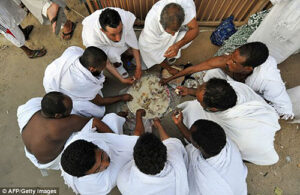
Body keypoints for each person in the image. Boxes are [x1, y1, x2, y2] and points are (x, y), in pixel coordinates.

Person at [162, 42, 293, 119]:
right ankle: (207, 97)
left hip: (250, 99)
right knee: (212, 72)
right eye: (231, 54)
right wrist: (170, 78)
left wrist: (255, 107)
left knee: (218, 115)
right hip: (235, 88)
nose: (228, 61)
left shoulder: (269, 81)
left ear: (248, 68)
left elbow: (284, 110)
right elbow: (195, 69)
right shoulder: (228, 61)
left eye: (234, 61)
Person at [176, 78, 281, 165]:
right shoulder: (231, 88)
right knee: (192, 107)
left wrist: (180, 124)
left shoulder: (240, 136)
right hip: (264, 119)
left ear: (213, 110)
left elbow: (204, 145)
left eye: (200, 101)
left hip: (253, 138)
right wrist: (190, 91)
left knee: (193, 121)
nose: (198, 102)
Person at [60, 109, 146, 195]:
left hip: (107, 143)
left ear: (95, 145)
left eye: (102, 156)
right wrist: (138, 115)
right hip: (116, 169)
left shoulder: (81, 139)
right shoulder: (106, 181)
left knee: (111, 118)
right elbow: (138, 141)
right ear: (86, 175)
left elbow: (94, 122)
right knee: (140, 154)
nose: (106, 164)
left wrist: (114, 137)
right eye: (97, 169)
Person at [43, 46, 134, 118]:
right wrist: (122, 97)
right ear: (92, 69)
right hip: (61, 91)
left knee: (97, 80)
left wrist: (122, 79)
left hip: (60, 78)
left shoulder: (75, 51)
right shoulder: (82, 82)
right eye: (101, 68)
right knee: (99, 111)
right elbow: (99, 101)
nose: (104, 68)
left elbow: (106, 63)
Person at [172, 114, 248, 195]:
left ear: (197, 146)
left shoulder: (204, 180)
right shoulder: (226, 143)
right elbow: (193, 138)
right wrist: (179, 123)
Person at [17, 92, 90, 170]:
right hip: (52, 161)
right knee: (87, 134)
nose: (72, 108)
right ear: (57, 115)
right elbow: (91, 122)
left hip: (33, 153)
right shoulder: (59, 126)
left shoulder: (34, 107)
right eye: (70, 108)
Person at [117, 118, 189, 195]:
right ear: (166, 152)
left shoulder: (123, 182)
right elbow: (171, 142)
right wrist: (158, 125)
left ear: (134, 158)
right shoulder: (176, 161)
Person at [139, 0, 198, 75]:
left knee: (187, 39)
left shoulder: (185, 7)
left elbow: (195, 29)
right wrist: (169, 69)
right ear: (160, 22)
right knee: (147, 51)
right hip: (156, 38)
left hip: (171, 30)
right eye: (170, 32)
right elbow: (150, 51)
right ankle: (167, 54)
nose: (173, 35)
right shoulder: (151, 24)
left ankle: (171, 54)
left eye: (175, 31)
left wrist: (177, 46)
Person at [82, 7, 142, 79]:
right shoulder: (92, 39)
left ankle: (125, 53)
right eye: (113, 34)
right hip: (103, 44)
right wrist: (122, 80)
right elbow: (106, 62)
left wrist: (139, 67)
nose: (118, 38)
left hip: (112, 36)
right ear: (103, 31)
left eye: (120, 31)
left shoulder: (125, 19)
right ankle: (118, 66)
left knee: (131, 50)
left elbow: (133, 43)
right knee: (112, 55)